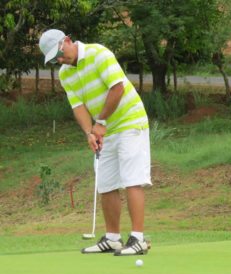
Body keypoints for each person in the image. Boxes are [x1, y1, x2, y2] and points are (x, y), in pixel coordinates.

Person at [38, 29, 151, 256]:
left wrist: (100, 122)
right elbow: (78, 106)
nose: (60, 60)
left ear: (67, 41)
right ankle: (112, 238)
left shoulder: (99, 54)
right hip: (104, 130)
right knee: (106, 182)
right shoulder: (65, 74)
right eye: (54, 59)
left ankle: (138, 239)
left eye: (59, 53)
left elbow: (117, 87)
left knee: (132, 179)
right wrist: (90, 132)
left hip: (130, 122)